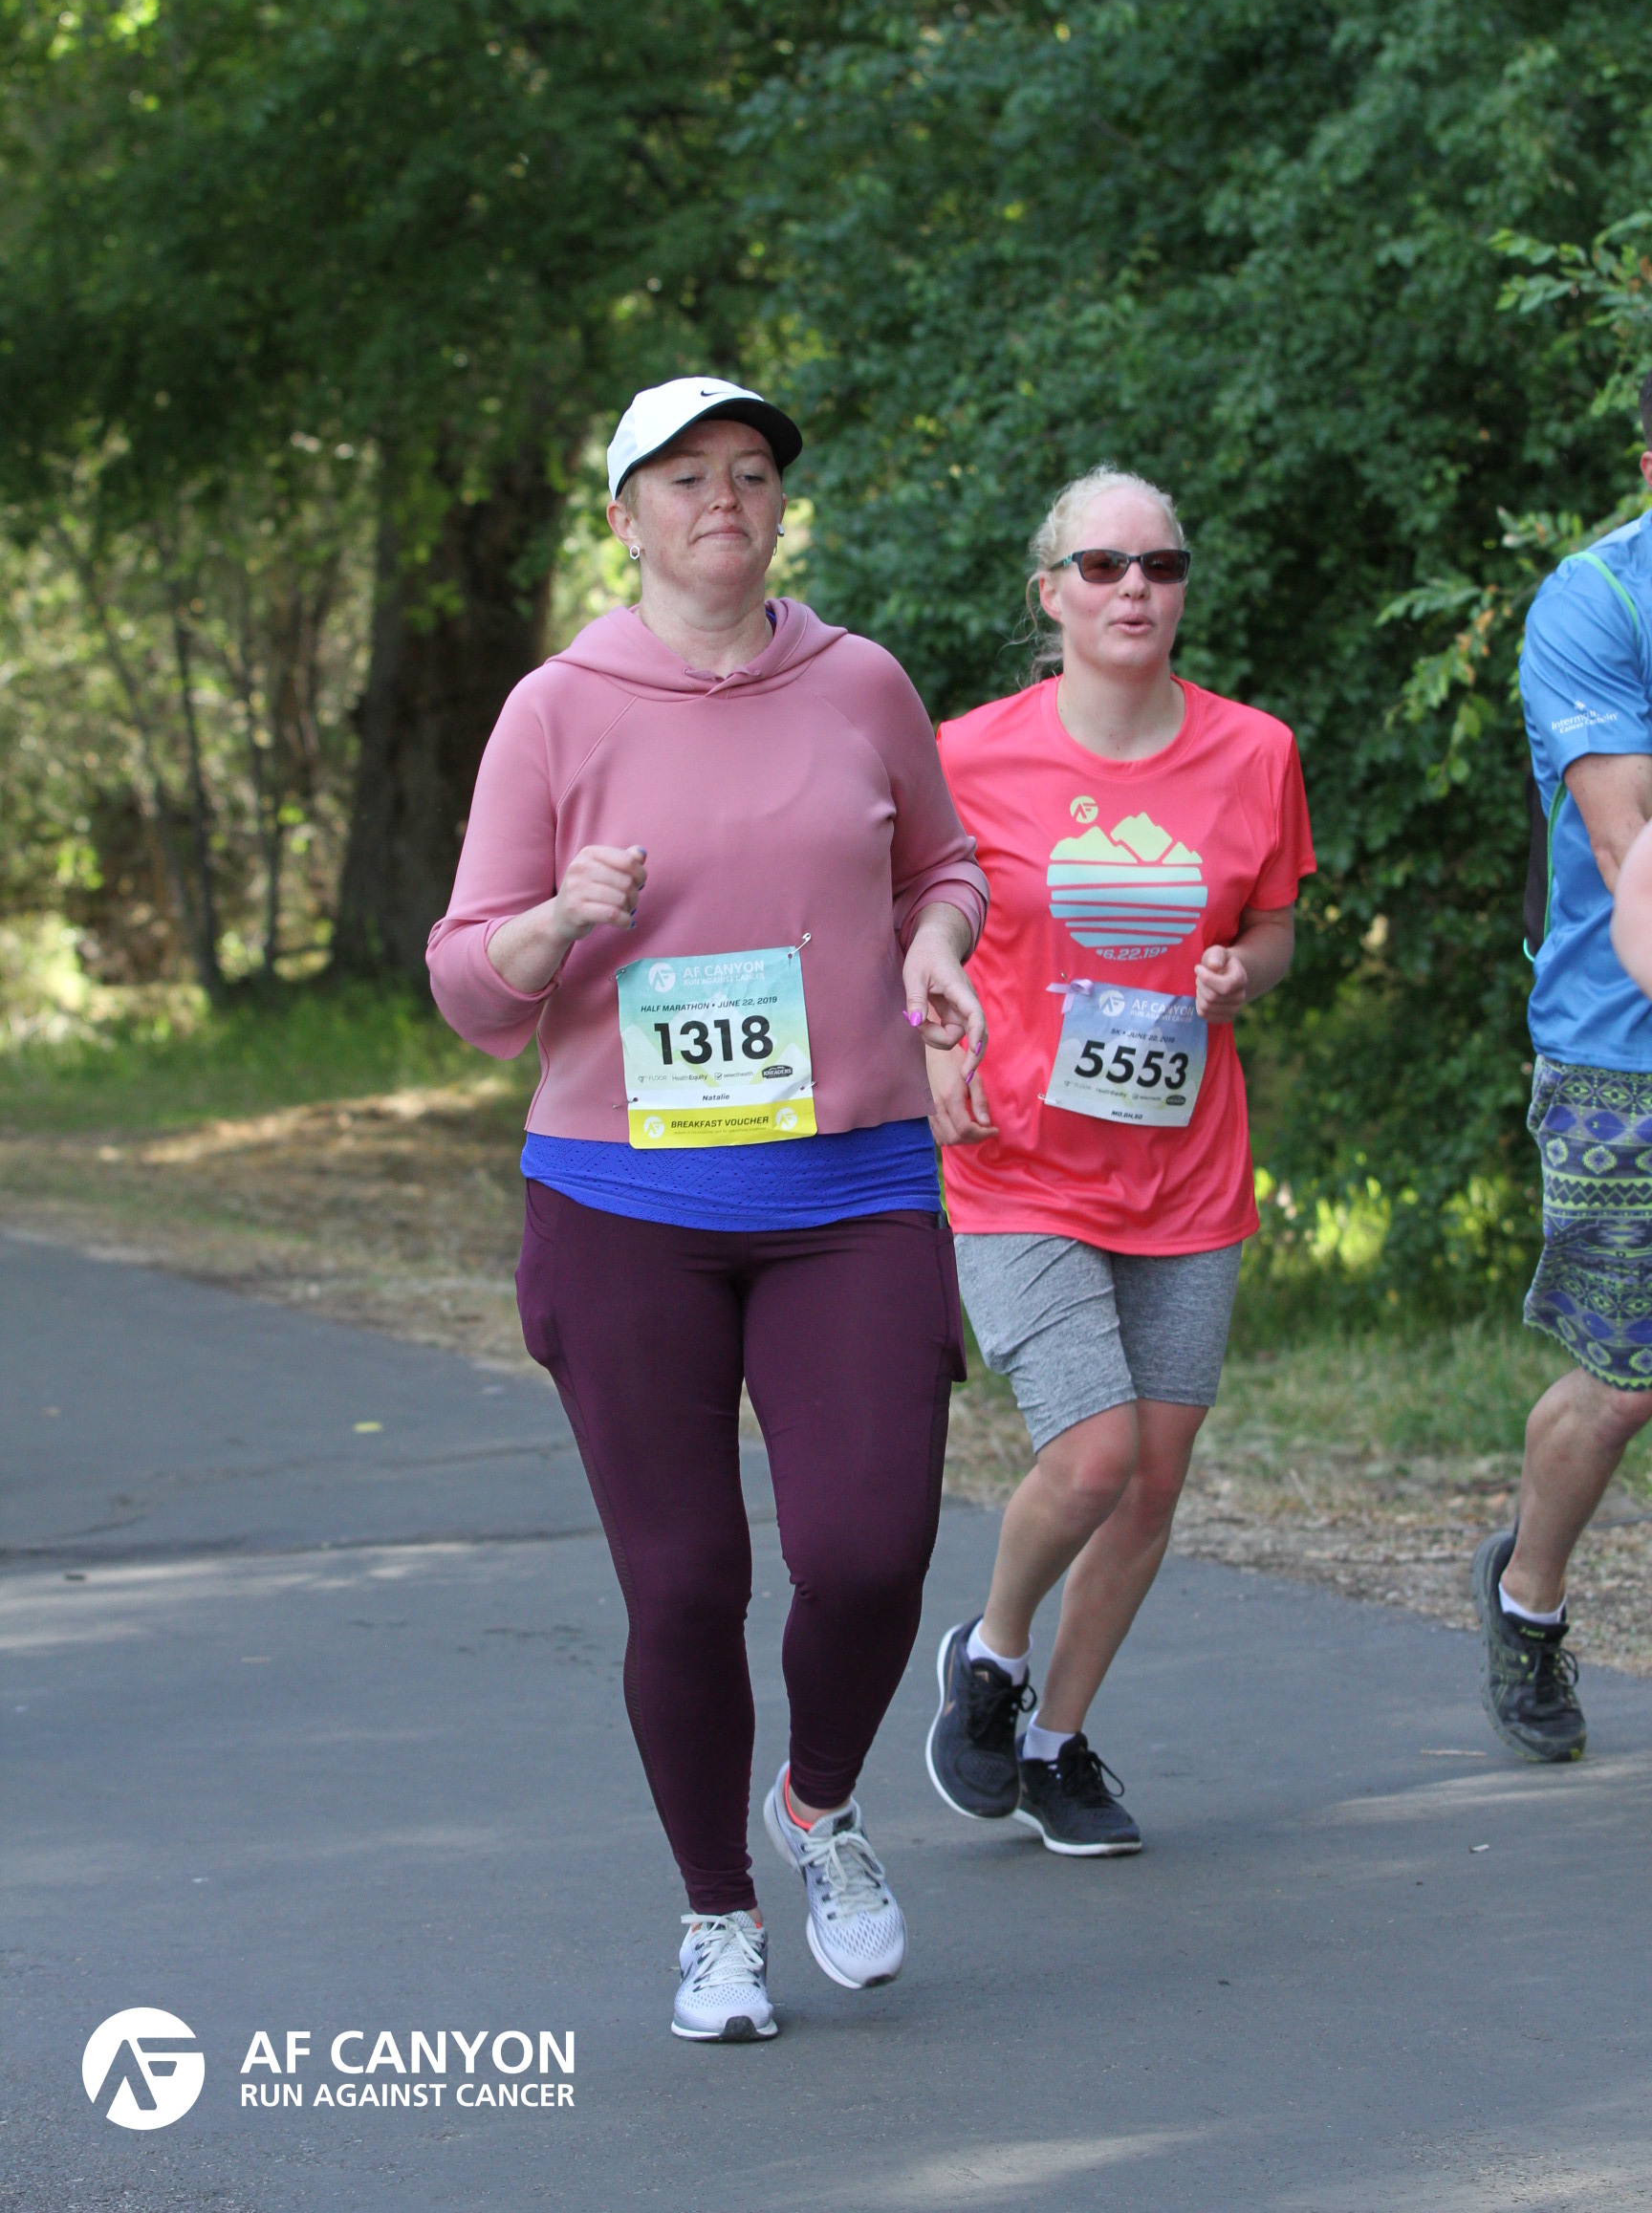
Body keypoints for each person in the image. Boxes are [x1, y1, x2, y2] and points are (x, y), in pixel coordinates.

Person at [427, 375, 988, 2042]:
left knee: (869, 1553)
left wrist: (936, 947)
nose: (724, 498)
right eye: (684, 477)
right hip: (623, 1203)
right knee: (683, 1587)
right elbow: (466, 976)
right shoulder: (556, 708)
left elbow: (944, 868)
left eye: (750, 471)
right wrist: (560, 924)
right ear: (625, 517)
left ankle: (817, 1804)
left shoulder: (860, 682)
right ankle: (717, 1915)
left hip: (852, 1185)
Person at [924, 466, 1313, 1855]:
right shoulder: (965, 755)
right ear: (1053, 593)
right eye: (1102, 565)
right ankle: (993, 1652)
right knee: (1093, 1458)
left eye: (1160, 565)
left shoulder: (1255, 751)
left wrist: (1243, 972)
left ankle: (1056, 1744)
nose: (1135, 587)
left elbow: (1274, 925)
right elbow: (913, 927)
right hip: (1018, 1160)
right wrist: (931, 1048)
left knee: (1153, 1478)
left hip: (1186, 1172)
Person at [1473, 373, 1652, 1763]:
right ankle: (1528, 1595)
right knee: (1625, 1380)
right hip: (1619, 1050)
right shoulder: (1595, 604)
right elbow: (1624, 842)